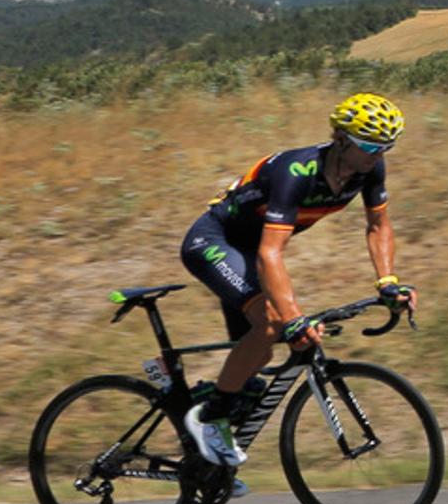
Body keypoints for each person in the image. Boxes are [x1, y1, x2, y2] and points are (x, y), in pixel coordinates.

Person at [177, 92, 414, 477]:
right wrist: (293, 318)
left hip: (249, 250)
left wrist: (387, 281)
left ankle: (206, 465)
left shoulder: (370, 170)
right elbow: (271, 253)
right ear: (340, 139)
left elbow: (378, 225)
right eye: (370, 145)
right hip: (215, 242)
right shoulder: (297, 171)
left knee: (259, 360)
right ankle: (209, 419)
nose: (378, 154)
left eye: (387, 146)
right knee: (273, 325)